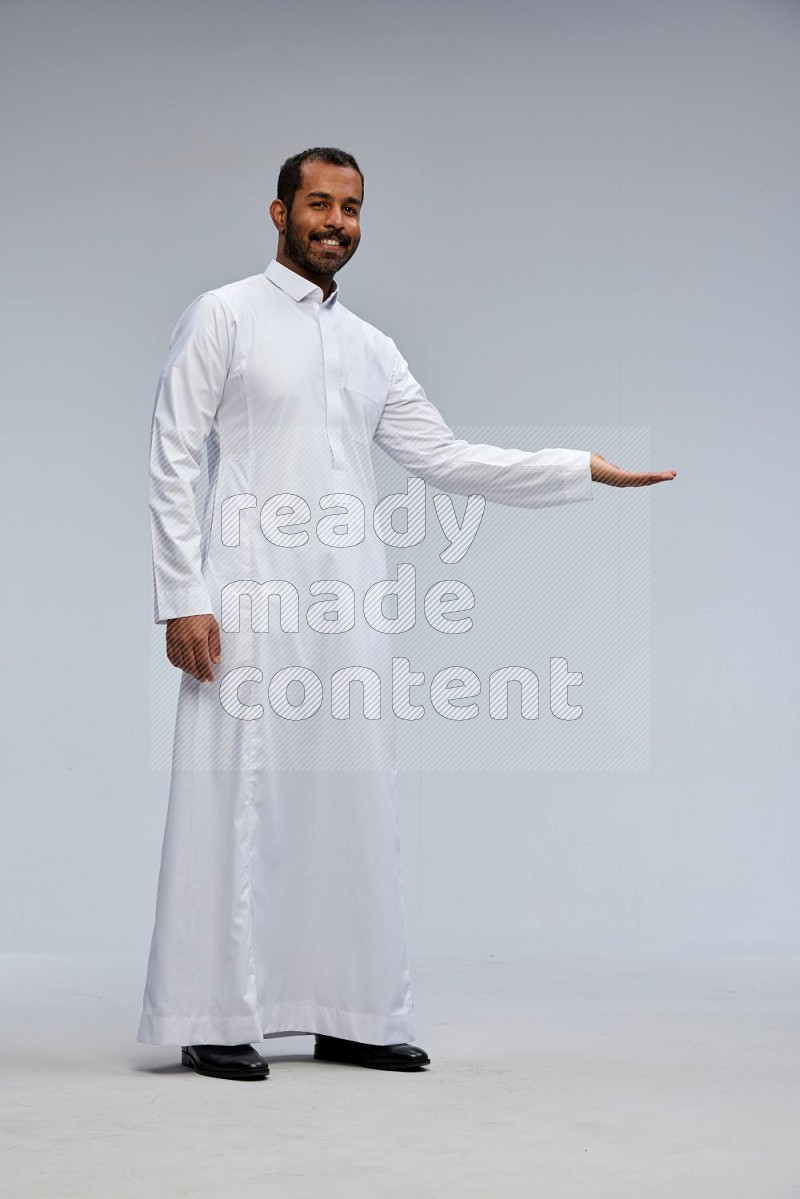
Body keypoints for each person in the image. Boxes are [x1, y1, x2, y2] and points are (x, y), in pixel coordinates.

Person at [138, 146, 676, 1082]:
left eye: (350, 207)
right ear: (278, 213)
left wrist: (575, 466)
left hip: (348, 604)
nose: (335, 222)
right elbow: (172, 456)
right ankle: (214, 1011)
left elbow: (446, 457)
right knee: (234, 793)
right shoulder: (223, 315)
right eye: (317, 204)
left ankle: (350, 1009)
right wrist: (183, 596)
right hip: (246, 598)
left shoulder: (369, 346)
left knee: (349, 800)